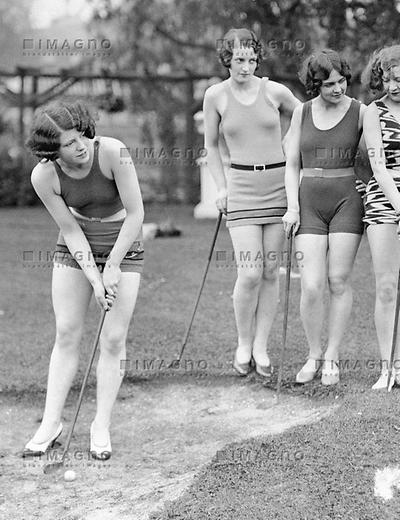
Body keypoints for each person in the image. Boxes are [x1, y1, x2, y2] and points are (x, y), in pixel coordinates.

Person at [23, 100, 144, 459]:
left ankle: (100, 425)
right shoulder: (44, 177)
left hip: (124, 243)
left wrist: (113, 266)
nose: (80, 146)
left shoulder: (112, 152)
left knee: (113, 338)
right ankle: (51, 423)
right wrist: (94, 276)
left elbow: (137, 214)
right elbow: (71, 230)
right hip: (77, 248)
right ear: (51, 151)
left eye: (81, 136)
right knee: (66, 333)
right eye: (68, 143)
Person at [203, 28, 300, 378]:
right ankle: (243, 343)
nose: (245, 67)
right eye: (238, 59)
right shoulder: (215, 95)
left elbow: (304, 114)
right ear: (226, 59)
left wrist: (290, 139)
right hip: (241, 187)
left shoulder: (274, 90)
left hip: (277, 186)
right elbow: (211, 146)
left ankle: (261, 346)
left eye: (251, 59)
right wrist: (221, 187)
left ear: (258, 59)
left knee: (271, 272)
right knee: (250, 272)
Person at [283, 50, 365, 385]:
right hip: (309, 201)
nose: (337, 88)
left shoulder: (360, 112)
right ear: (315, 85)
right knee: (313, 284)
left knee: (338, 281)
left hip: (348, 199)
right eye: (329, 84)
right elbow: (291, 164)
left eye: (342, 81)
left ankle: (332, 356)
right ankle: (313, 354)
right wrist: (292, 206)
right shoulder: (301, 113)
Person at [361, 45, 400, 389]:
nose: (395, 85)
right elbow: (377, 165)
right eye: (389, 79)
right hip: (384, 202)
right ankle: (389, 367)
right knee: (387, 286)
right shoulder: (373, 112)